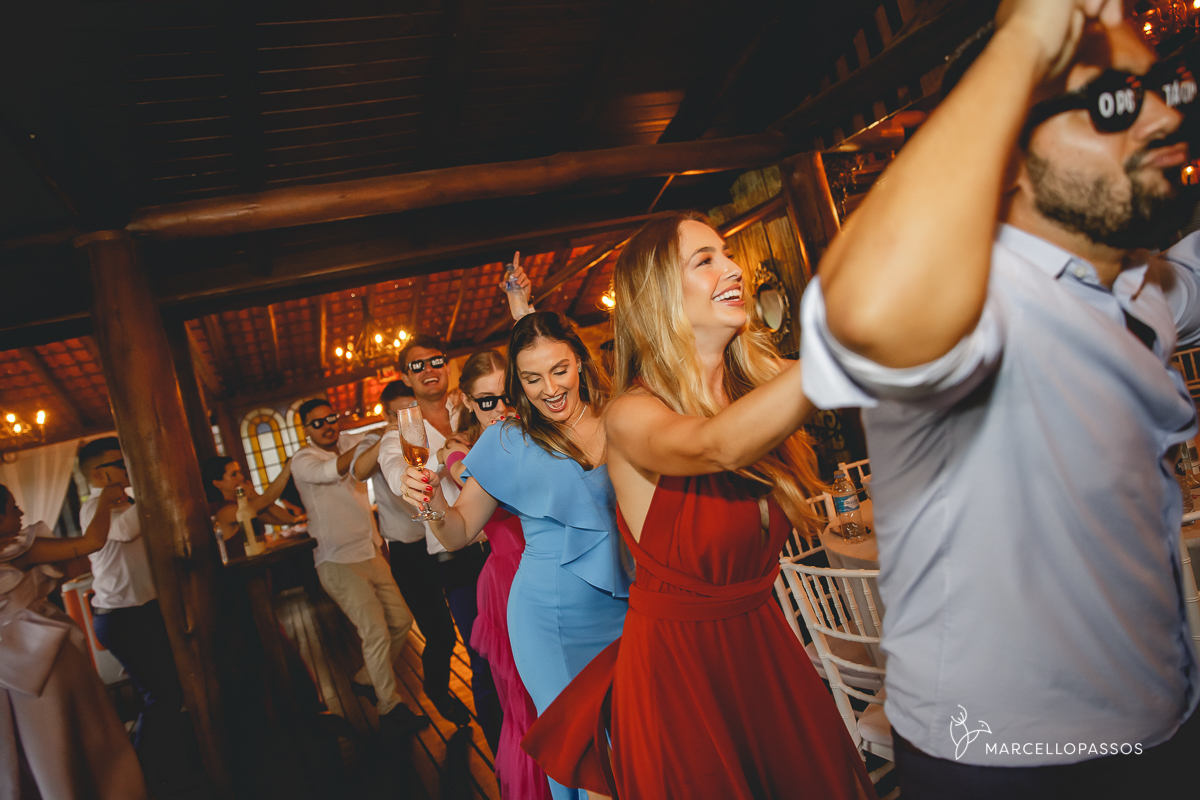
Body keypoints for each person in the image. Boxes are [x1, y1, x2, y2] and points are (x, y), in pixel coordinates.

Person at [801, 2, 1199, 797]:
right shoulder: (973, 304)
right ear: (1007, 156)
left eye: (1168, 90)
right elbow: (868, 307)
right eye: (1113, 101)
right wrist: (1025, 37)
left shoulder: (1141, 283)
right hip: (1005, 761)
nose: (1161, 117)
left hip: (1163, 720)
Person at [517, 215, 876, 799]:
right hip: (682, 668)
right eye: (705, 260)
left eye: (727, 254)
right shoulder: (630, 415)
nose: (733, 269)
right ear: (658, 293)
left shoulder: (759, 388)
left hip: (763, 647)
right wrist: (843, 341)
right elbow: (716, 446)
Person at [391, 312, 631, 800]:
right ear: (517, 383)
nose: (550, 389)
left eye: (559, 370)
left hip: (630, 608)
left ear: (580, 362)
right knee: (586, 756)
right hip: (549, 620)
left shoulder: (623, 418)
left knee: (635, 740)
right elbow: (457, 531)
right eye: (532, 378)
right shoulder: (508, 440)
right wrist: (430, 501)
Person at [376, 335, 503, 752]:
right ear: (405, 376)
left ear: (447, 365)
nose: (429, 370)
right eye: (417, 365)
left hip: (509, 545)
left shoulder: (472, 403)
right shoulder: (400, 434)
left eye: (435, 361)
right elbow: (397, 473)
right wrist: (434, 462)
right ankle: (503, 758)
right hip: (458, 557)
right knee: (482, 659)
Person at [439, 350, 553, 800]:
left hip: (559, 570)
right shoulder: (468, 452)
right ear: (469, 402)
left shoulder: (539, 431)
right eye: (487, 401)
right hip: (510, 581)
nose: (500, 409)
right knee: (525, 698)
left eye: (507, 395)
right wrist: (453, 458)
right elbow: (477, 490)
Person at [0, 483, 150, 800]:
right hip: (43, 658)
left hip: (9, 670)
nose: (21, 512)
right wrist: (105, 500)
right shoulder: (20, 550)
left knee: (33, 744)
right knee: (80, 731)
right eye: (13, 508)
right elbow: (93, 542)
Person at [289, 398, 429, 737]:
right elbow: (334, 470)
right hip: (336, 561)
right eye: (317, 423)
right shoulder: (303, 459)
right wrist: (374, 440)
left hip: (370, 551)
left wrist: (381, 432)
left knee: (401, 620)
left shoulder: (350, 441)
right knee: (375, 632)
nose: (327, 426)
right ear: (306, 430)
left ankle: (367, 679)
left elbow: (376, 440)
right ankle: (389, 707)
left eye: (330, 418)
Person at [350, 379, 472, 728]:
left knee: (465, 619)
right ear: (388, 415)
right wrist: (392, 432)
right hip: (410, 553)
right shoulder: (378, 441)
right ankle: (437, 692)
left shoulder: (433, 433)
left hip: (442, 543)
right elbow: (358, 471)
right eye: (401, 413)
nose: (410, 418)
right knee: (440, 632)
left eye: (413, 411)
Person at [77, 437, 188, 774]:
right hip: (122, 618)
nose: (127, 468)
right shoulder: (92, 509)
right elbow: (125, 531)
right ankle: (144, 773)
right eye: (120, 464)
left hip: (144, 611)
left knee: (166, 690)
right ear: (99, 474)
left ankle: (165, 763)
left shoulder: (126, 502)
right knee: (162, 694)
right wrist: (150, 484)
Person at [201, 456, 301, 559]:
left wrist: (254, 495)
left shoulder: (245, 505)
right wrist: (288, 467)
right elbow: (268, 498)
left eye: (239, 472)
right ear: (218, 483)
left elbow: (287, 519)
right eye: (234, 474)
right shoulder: (224, 510)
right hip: (242, 566)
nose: (241, 477)